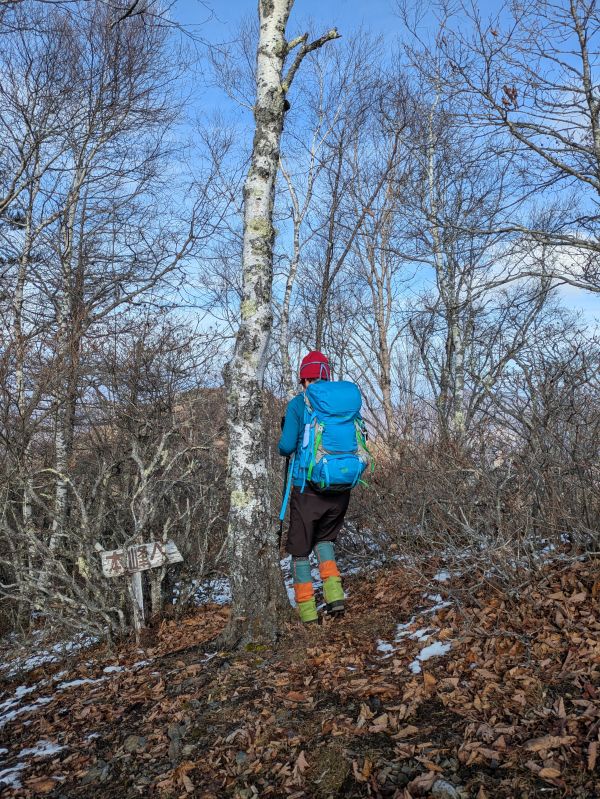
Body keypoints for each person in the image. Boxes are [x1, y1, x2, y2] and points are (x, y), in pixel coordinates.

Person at [278, 350, 354, 624]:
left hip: (306, 487)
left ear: (304, 378)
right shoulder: (341, 405)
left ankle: (308, 614)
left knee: (299, 552)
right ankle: (335, 600)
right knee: (325, 541)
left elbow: (286, 446)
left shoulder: (299, 404)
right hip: (340, 486)